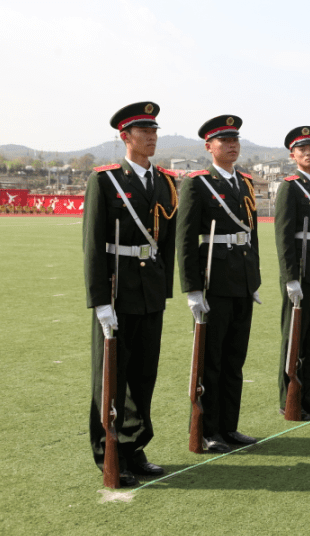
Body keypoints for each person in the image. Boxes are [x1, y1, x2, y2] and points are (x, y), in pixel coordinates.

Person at [83, 101, 177, 487]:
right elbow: (92, 245)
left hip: (150, 291)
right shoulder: (105, 180)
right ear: (125, 137)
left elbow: (166, 241)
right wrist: (100, 301)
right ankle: (109, 454)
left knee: (143, 376)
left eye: (155, 131)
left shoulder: (166, 181)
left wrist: (166, 290)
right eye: (144, 132)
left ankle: (135, 447)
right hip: (118, 289)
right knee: (111, 376)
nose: (152, 137)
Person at [177, 114, 261, 452]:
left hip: (241, 281)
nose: (231, 145)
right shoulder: (198, 183)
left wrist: (253, 279)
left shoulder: (245, 183)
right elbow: (185, 239)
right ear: (209, 146)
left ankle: (229, 426)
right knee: (209, 360)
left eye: (235, 140)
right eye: (224, 141)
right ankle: (207, 429)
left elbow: (251, 235)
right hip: (213, 280)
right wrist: (192, 289)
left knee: (234, 359)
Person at [275, 126, 310, 420]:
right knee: (294, 337)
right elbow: (284, 236)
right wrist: (290, 278)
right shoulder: (290, 186)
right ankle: (289, 399)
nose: (308, 153)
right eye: (302, 149)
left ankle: (305, 396)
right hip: (301, 270)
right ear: (293, 155)